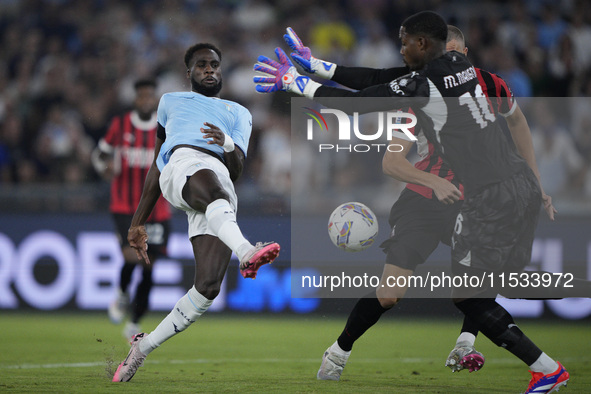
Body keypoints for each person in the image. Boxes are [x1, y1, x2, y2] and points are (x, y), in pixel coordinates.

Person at [254, 12, 569, 394]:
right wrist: (319, 65)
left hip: (487, 197)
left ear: (422, 45)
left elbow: (359, 103)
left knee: (473, 294)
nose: (400, 50)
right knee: (482, 289)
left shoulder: (422, 89)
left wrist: (294, 82)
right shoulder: (462, 68)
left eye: (404, 42)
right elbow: (378, 78)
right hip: (509, 188)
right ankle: (502, 354)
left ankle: (546, 369)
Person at [112, 43, 281, 383]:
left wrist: (227, 143)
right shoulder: (170, 102)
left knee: (207, 288)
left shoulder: (239, 113)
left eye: (215, 65)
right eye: (202, 65)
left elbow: (236, 170)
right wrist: (137, 222)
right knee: (213, 190)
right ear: (188, 72)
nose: (210, 70)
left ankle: (142, 348)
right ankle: (247, 251)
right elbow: (158, 166)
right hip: (183, 168)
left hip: (218, 185)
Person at [92, 78, 172, 342]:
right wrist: (102, 167)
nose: (146, 101)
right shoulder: (120, 125)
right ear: (136, 99)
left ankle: (134, 322)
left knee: (149, 268)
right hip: (124, 206)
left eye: (150, 96)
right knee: (131, 258)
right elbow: (100, 154)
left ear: (155, 99)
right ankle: (123, 293)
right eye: (142, 96)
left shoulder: (167, 129)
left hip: (157, 210)